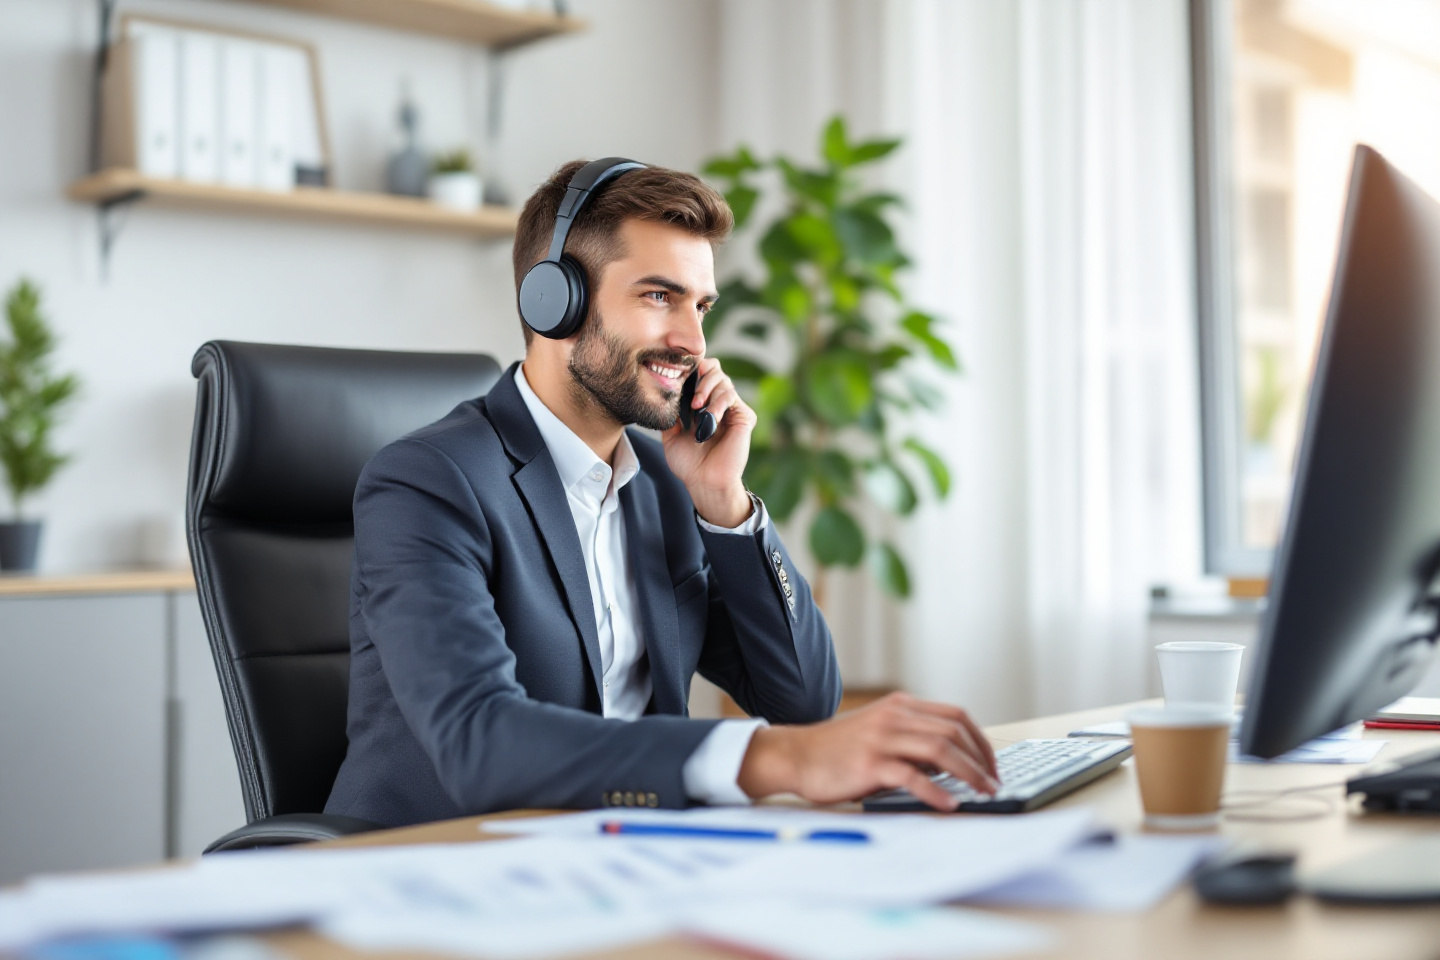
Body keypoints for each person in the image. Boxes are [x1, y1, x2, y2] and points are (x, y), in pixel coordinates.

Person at [325, 159, 999, 827]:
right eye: (658, 296)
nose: (694, 341)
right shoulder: (428, 483)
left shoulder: (664, 487)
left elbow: (803, 705)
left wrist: (724, 503)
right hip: (431, 875)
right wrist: (777, 761)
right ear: (555, 301)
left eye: (700, 305)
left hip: (622, 858)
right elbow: (478, 743)